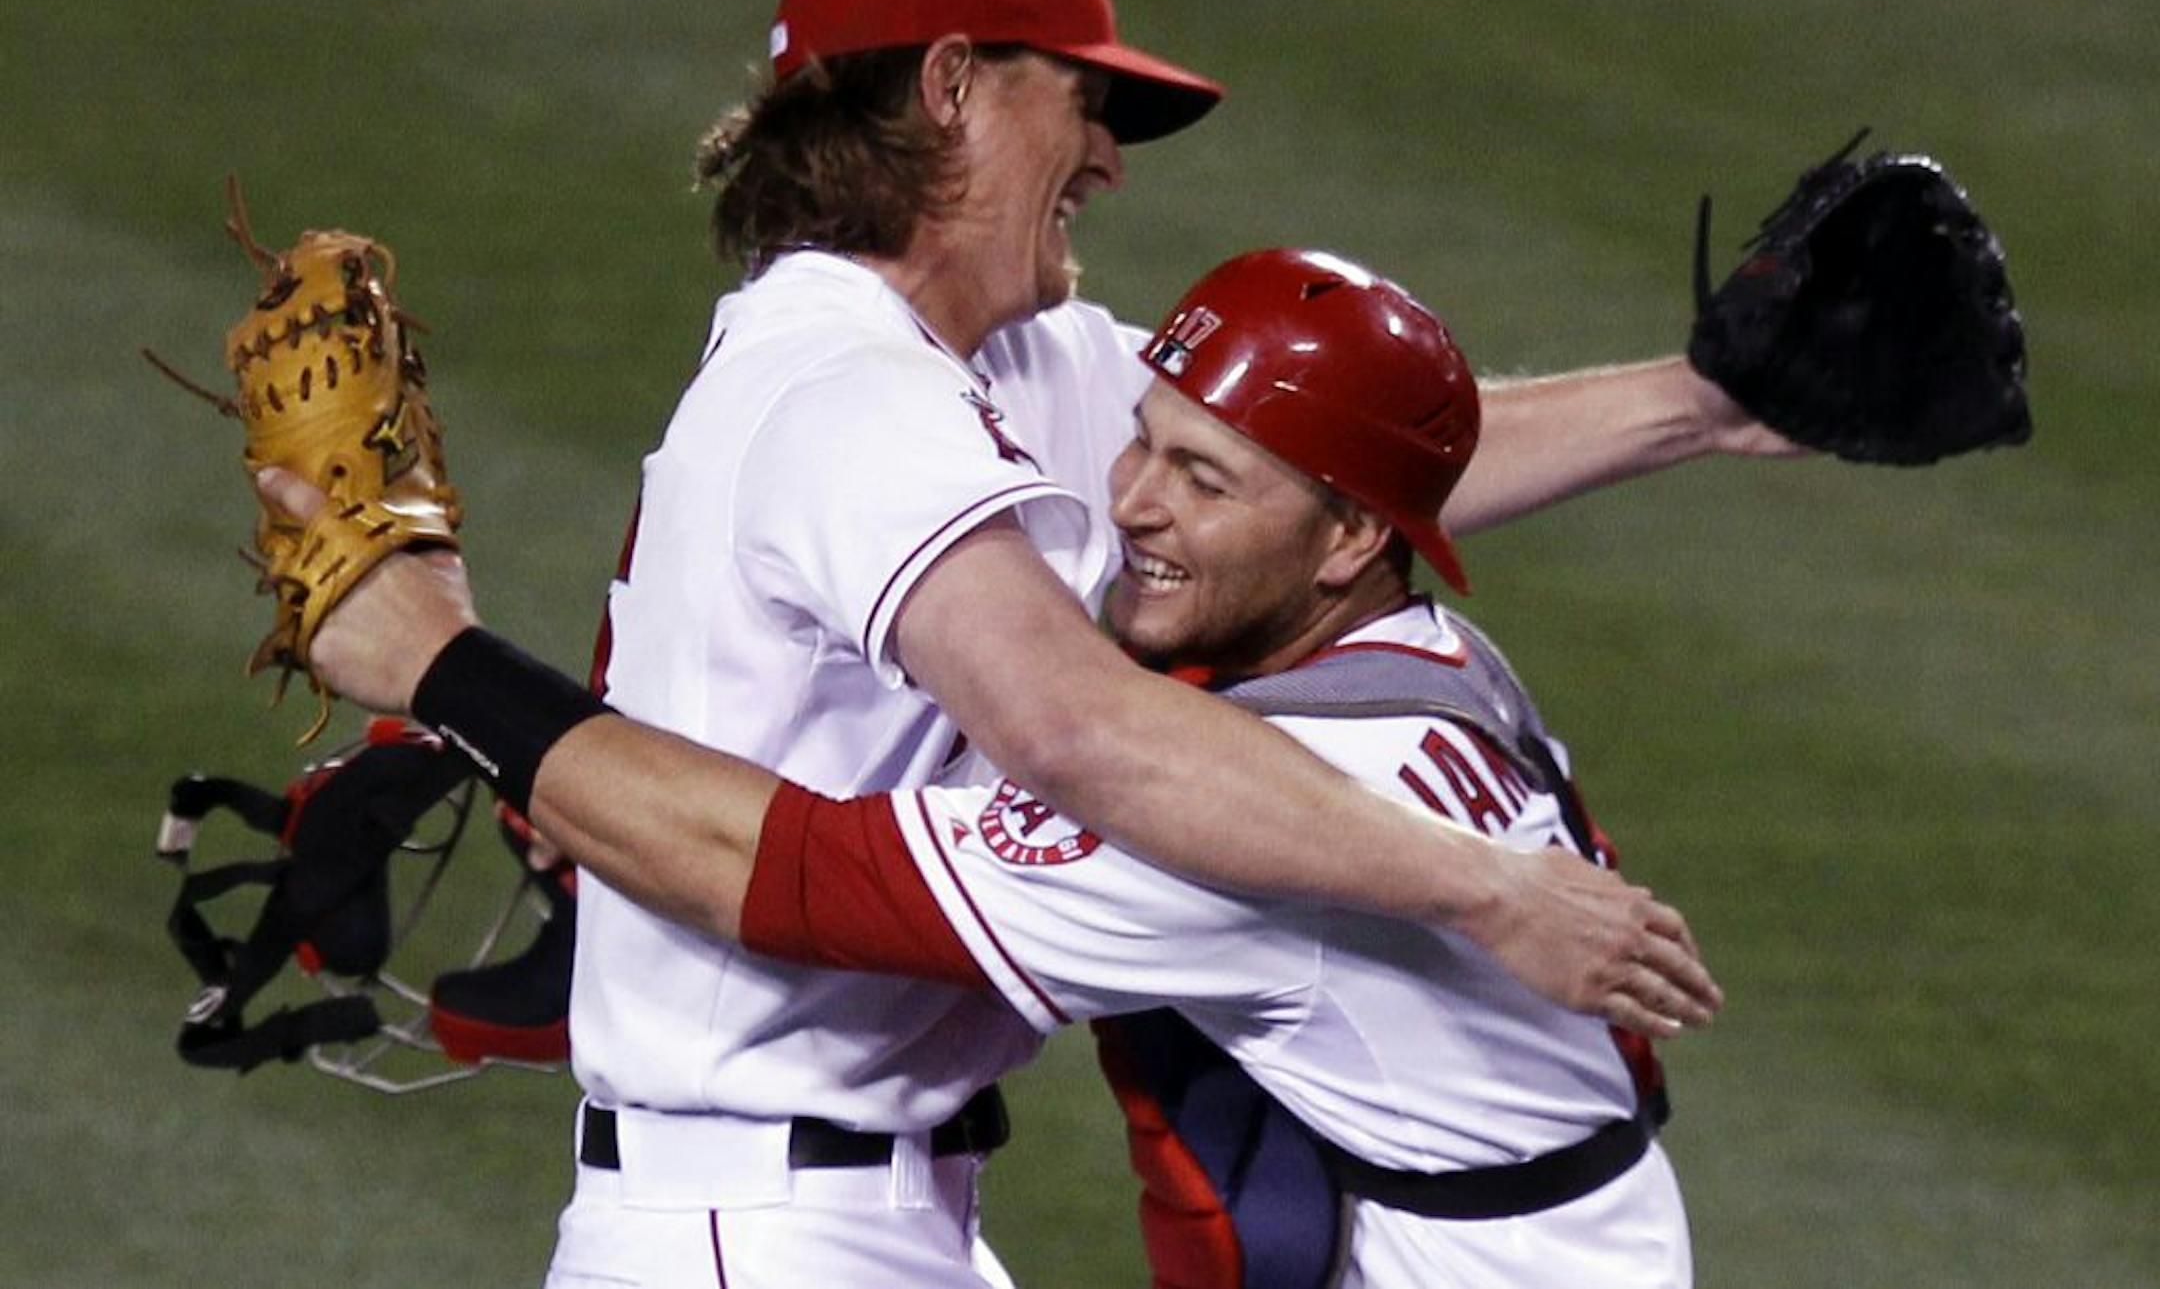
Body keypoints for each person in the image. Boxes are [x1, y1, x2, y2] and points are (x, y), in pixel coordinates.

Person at [264, 0, 1782, 1286]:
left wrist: (1702, 406)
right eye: (1086, 98)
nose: (1111, 156)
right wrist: (1488, 888)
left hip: (883, 1209)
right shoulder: (843, 393)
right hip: (758, 1226)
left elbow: (1319, 470)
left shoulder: (1010, 361)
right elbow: (1078, 731)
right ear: (950, 84)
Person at [268, 247, 1698, 1287]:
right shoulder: (1426, 661)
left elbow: (785, 872)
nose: (1129, 499)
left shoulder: (1241, 828)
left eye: (1204, 479)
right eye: (1143, 440)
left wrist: (440, 664)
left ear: (1344, 540)